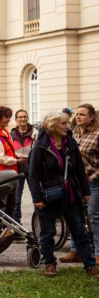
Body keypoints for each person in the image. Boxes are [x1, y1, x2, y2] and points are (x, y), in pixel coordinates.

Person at [28, 111, 98, 278]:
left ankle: (90, 265)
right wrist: (36, 197)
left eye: (68, 123)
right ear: (51, 126)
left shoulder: (71, 143)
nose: (68, 126)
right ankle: (50, 263)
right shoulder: (40, 146)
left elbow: (80, 170)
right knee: (48, 232)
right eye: (63, 124)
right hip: (48, 195)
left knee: (79, 231)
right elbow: (33, 174)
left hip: (71, 194)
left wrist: (85, 192)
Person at [61, 104, 99, 264]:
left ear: (92, 117)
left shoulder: (97, 134)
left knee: (94, 217)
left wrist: (95, 175)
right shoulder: (73, 133)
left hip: (94, 182)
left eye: (82, 114)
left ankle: (98, 252)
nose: (78, 117)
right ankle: (76, 250)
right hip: (75, 182)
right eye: (77, 114)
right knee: (75, 216)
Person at [0, 106, 26, 216]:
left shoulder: (5, 132)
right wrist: (17, 160)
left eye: (9, 117)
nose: (8, 120)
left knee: (12, 203)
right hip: (3, 173)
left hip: (12, 173)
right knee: (2, 204)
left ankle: (9, 230)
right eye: (6, 117)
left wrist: (20, 156)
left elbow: (11, 151)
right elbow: (1, 158)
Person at [10, 109, 38, 222]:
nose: (23, 119)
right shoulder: (11, 134)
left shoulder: (35, 133)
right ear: (16, 119)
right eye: (20, 117)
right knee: (16, 198)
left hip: (32, 167)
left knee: (37, 196)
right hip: (17, 168)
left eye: (25, 116)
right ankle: (16, 224)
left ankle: (40, 223)